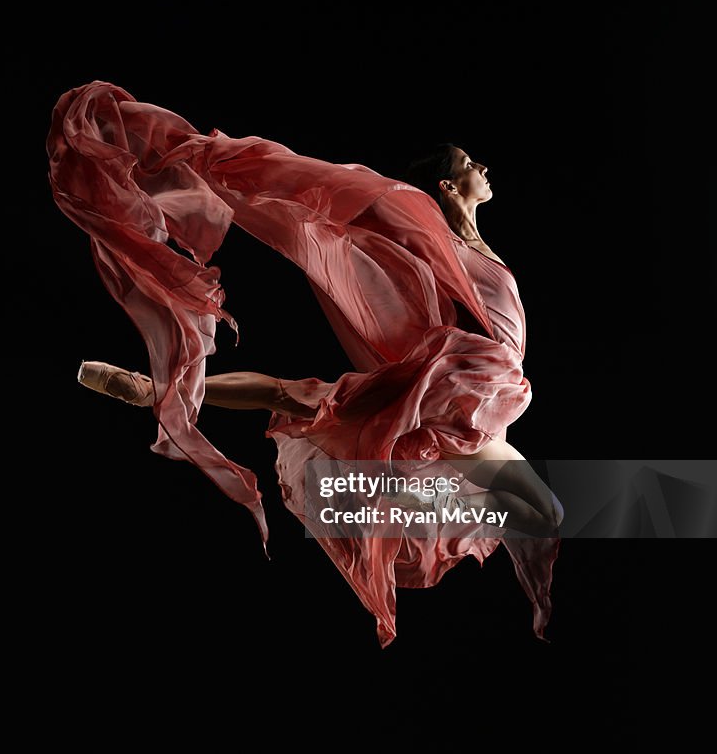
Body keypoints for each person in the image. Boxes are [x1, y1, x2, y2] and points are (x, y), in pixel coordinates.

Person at [49, 81, 562, 646]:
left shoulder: (469, 245)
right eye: (470, 163)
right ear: (447, 183)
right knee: (534, 509)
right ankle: (163, 391)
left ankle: (160, 392)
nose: (483, 168)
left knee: (538, 512)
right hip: (465, 380)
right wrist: (238, 170)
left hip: (482, 393)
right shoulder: (422, 224)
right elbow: (348, 213)